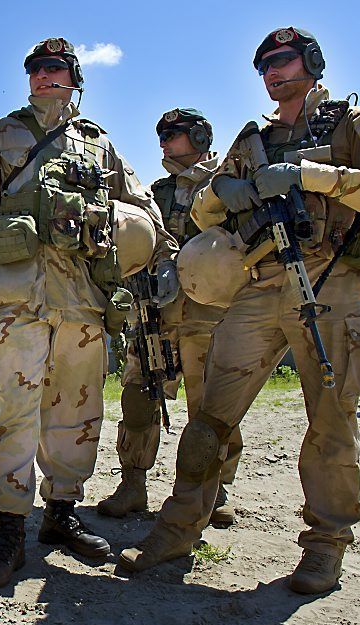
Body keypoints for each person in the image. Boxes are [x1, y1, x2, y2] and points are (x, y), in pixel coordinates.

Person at [118, 27, 360, 596]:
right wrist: (219, 197)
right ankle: (180, 527)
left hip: (330, 283)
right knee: (209, 417)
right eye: (263, 67)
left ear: (310, 61)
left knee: (330, 424)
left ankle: (326, 547)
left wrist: (313, 176)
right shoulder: (253, 139)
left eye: (282, 61)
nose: (272, 73)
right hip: (258, 285)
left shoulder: (352, 125)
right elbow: (210, 208)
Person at [0, 37, 179, 587]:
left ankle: (61, 513)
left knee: (77, 410)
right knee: (16, 412)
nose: (43, 77)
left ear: (74, 76)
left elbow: (141, 206)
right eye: (34, 69)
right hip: (18, 298)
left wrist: (161, 255)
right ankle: (8, 525)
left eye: (55, 68)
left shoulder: (99, 145)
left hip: (84, 300)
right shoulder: (1, 137)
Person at [97, 109, 243, 527]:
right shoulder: (152, 192)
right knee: (138, 399)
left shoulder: (224, 188)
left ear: (198, 136)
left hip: (205, 317)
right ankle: (133, 484)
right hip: (153, 316)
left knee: (211, 407)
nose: (163, 141)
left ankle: (213, 491)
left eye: (173, 134)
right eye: (160, 134)